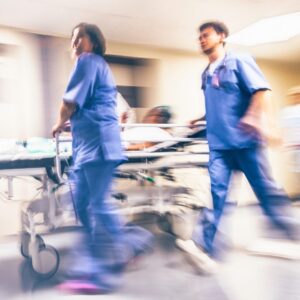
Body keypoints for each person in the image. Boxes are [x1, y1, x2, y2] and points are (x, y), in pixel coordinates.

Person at [176, 20, 299, 272]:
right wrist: (199, 119)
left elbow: (261, 91)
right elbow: (219, 106)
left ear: (221, 36)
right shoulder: (206, 73)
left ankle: (293, 234)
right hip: (219, 148)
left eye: (206, 35)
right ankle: (204, 247)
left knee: (266, 192)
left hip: (246, 143)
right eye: (199, 36)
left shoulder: (239, 61)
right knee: (217, 197)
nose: (201, 39)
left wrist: (253, 117)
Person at [52, 22, 152, 294]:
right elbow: (89, 108)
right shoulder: (94, 67)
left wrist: (59, 123)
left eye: (79, 37)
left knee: (95, 206)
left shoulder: (88, 61)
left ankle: (95, 274)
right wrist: (72, 124)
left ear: (93, 42)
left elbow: (69, 103)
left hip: (99, 147)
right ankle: (134, 242)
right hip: (88, 147)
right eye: (71, 39)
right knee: (82, 205)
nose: (74, 43)